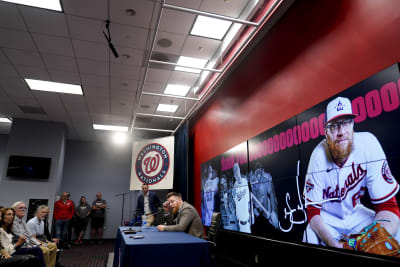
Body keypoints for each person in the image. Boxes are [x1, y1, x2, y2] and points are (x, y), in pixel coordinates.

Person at [303, 96, 400, 249]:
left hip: (355, 215)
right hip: (328, 220)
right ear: (326, 132)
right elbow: (313, 211)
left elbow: (387, 206)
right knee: (309, 235)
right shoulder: (318, 156)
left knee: (397, 232)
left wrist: (379, 236)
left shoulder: (368, 144)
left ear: (353, 125)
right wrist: (336, 245)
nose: (341, 131)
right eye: (334, 126)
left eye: (346, 122)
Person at [12, 201, 57, 267]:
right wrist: (38, 245)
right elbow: (23, 238)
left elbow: (30, 236)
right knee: (45, 250)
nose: (23, 209)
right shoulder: (14, 222)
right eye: (21, 208)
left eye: (25, 208)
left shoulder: (22, 221)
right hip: (20, 246)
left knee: (53, 246)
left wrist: (40, 244)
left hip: (31, 242)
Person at [232, 163, 251, 233]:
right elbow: (235, 202)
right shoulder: (234, 187)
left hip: (246, 224)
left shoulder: (244, 181)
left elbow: (248, 200)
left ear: (239, 170)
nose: (236, 172)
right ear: (234, 175)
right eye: (234, 171)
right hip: (239, 224)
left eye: (237, 169)